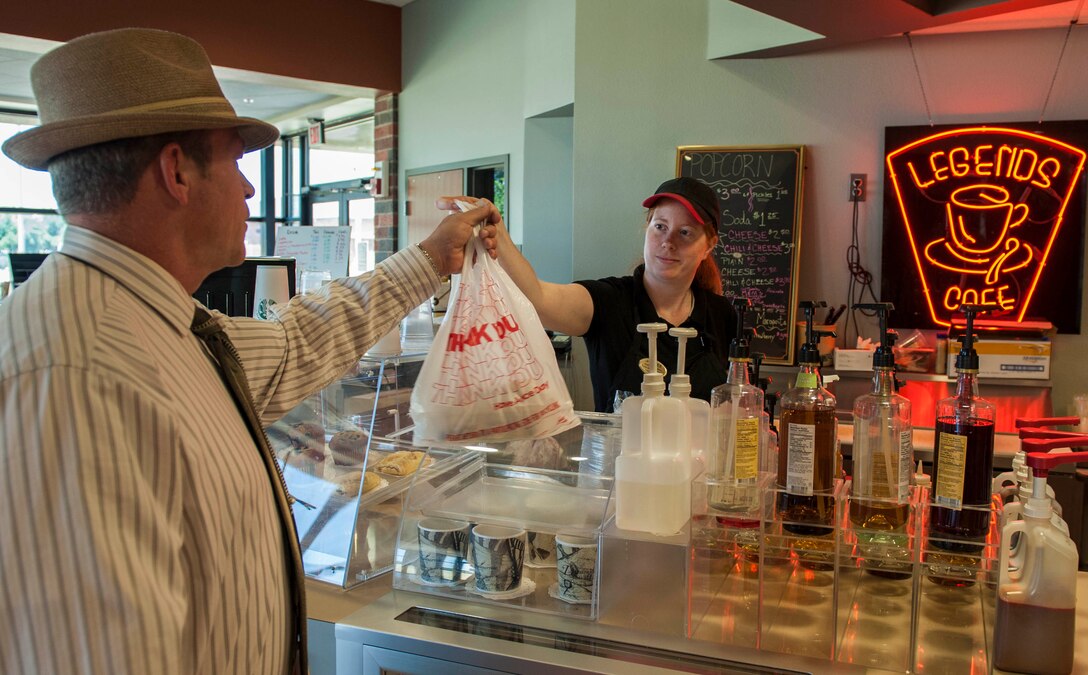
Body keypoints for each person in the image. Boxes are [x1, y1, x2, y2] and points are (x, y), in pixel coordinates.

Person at [0, 28, 498, 675]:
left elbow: (294, 343)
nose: (249, 190)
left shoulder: (163, 325)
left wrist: (432, 258)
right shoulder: (77, 371)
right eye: (235, 161)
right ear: (176, 171)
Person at [442, 177, 737, 413]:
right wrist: (499, 233)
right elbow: (539, 298)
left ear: (709, 244)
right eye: (660, 227)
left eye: (685, 232)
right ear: (646, 228)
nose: (668, 242)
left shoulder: (722, 314)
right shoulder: (609, 301)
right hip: (618, 478)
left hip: (700, 478)